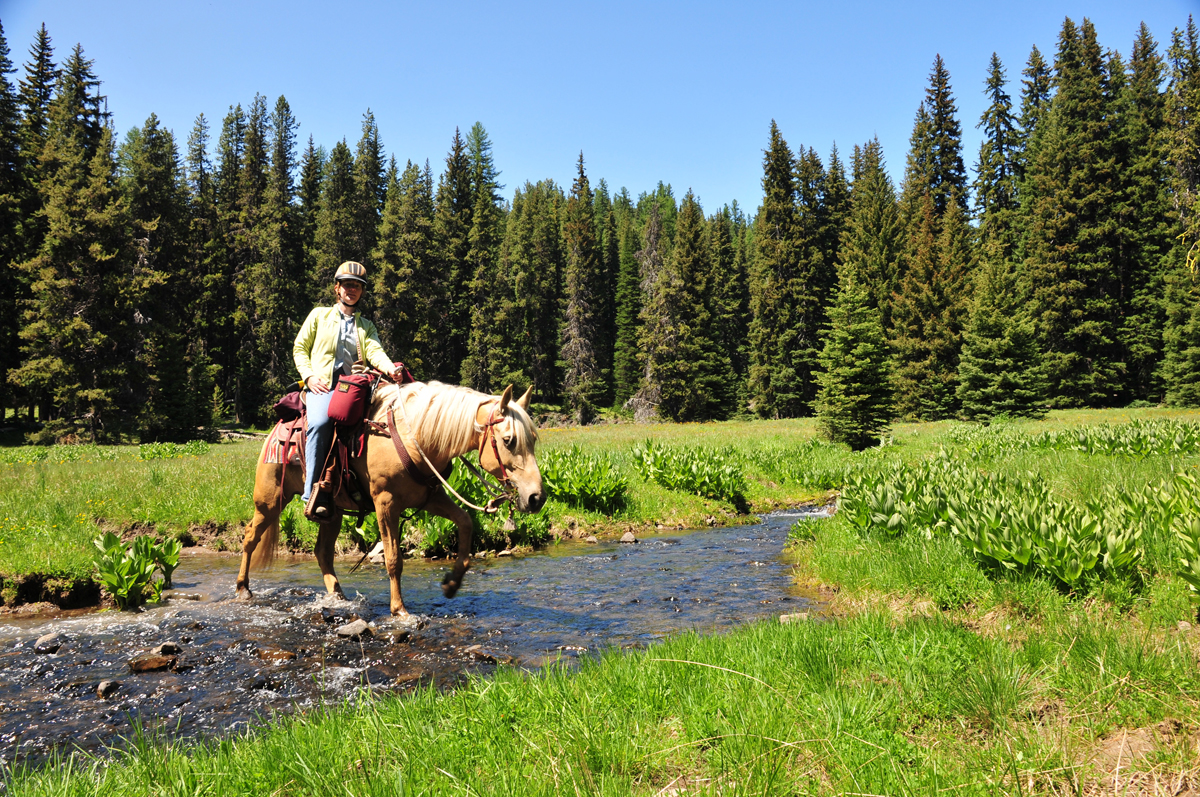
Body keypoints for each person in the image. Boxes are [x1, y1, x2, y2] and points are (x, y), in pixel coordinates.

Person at [293, 261, 403, 518]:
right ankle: (311, 492)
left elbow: (375, 350)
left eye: (358, 286)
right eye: (348, 285)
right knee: (320, 423)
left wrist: (390, 369)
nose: (352, 290)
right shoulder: (319, 315)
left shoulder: (366, 326)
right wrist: (309, 377)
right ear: (337, 289)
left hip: (353, 389)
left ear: (362, 292)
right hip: (322, 388)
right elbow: (300, 348)